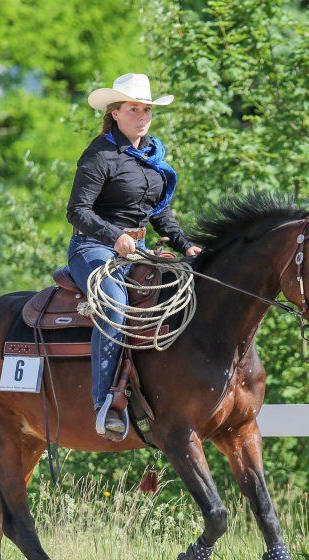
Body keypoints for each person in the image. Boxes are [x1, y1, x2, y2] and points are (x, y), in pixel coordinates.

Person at [66, 73, 202, 439]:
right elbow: (77, 211)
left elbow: (159, 212)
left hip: (138, 251)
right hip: (92, 248)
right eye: (134, 109)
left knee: (188, 289)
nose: (142, 116)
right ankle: (105, 403)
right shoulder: (99, 155)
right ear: (115, 114)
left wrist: (184, 243)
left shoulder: (151, 155)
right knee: (114, 301)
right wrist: (115, 235)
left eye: (147, 110)